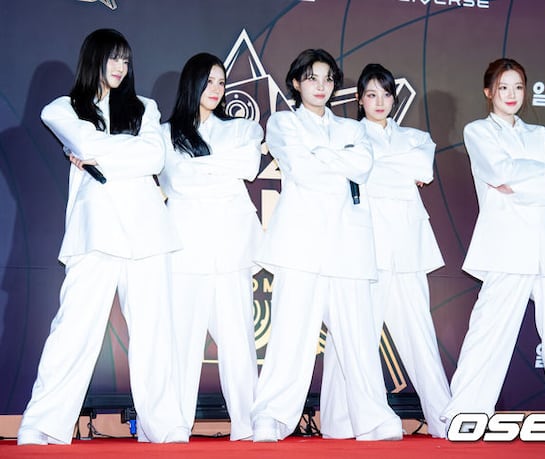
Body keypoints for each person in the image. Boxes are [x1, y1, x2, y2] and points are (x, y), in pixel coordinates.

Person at [17, 28, 187, 445]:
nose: (120, 67)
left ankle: (163, 425)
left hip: (148, 232)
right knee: (73, 329)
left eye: (125, 60)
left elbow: (154, 157)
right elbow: (83, 139)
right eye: (113, 58)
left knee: (153, 332)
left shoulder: (145, 108)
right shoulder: (63, 108)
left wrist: (96, 155)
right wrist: (109, 150)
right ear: (93, 58)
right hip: (94, 231)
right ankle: (43, 424)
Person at [440, 58, 545, 438]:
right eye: (503, 87)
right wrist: (537, 175)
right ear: (488, 91)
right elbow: (499, 172)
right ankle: (464, 415)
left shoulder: (544, 136)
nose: (511, 95)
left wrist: (520, 185)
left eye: (518, 87)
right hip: (506, 246)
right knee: (488, 333)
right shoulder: (478, 131)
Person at [250, 49, 403, 442]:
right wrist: (338, 161)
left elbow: (362, 167)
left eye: (328, 79)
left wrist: (323, 155)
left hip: (348, 245)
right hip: (301, 245)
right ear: (296, 82)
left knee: (358, 340)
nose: (321, 86)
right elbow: (302, 170)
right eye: (312, 78)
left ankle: (371, 418)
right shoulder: (283, 122)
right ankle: (271, 417)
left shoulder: (353, 129)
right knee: (290, 337)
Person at [319, 63, 451, 439]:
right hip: (365, 249)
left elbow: (422, 169)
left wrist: (377, 166)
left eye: (386, 94)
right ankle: (338, 421)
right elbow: (359, 170)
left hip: (409, 249)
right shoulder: (347, 135)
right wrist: (390, 169)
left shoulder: (417, 138)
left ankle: (443, 418)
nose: (379, 102)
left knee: (421, 337)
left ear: (394, 99)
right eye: (371, 94)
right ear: (359, 99)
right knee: (352, 338)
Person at [157, 52, 263, 440]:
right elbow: (176, 181)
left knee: (238, 340)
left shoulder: (243, 129)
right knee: (182, 340)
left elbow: (248, 167)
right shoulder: (165, 134)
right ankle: (174, 424)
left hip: (231, 246)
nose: (216, 89)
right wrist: (220, 169)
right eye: (209, 81)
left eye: (222, 82)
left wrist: (198, 167)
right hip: (185, 247)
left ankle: (248, 424)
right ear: (192, 83)